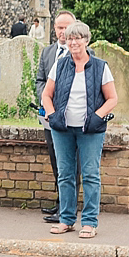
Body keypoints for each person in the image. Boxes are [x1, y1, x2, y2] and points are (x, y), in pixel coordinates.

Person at [42, 20, 117, 239]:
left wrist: (97, 116)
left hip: (90, 130)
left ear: (86, 40)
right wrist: (52, 113)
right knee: (65, 175)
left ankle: (90, 222)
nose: (74, 42)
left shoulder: (100, 66)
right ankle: (66, 219)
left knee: (91, 175)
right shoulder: (61, 65)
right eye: (70, 38)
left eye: (78, 38)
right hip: (62, 128)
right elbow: (47, 94)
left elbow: (112, 98)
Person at [37, 11, 75, 222]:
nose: (63, 32)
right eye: (59, 28)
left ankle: (67, 208)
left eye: (66, 27)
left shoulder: (85, 52)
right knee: (55, 161)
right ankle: (60, 202)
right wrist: (45, 100)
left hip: (72, 118)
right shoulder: (47, 52)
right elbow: (40, 80)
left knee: (69, 164)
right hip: (50, 117)